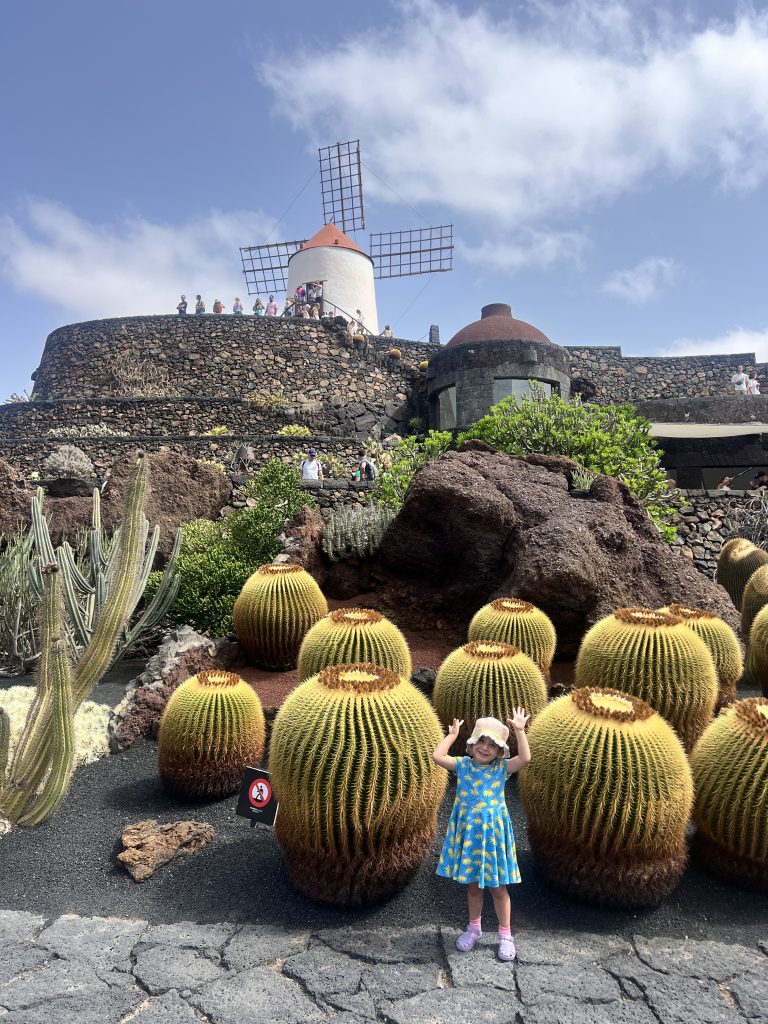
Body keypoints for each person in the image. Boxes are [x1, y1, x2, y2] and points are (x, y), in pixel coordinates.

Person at [433, 712, 531, 963]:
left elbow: (525, 758)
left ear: (499, 752)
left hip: (493, 838)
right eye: (481, 742)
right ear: (471, 744)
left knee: (499, 888)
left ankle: (505, 935)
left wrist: (519, 730)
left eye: (492, 745)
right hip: (471, 837)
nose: (485, 748)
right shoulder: (463, 766)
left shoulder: (501, 769)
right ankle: (474, 928)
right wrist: (452, 735)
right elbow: (437, 757)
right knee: (474, 887)